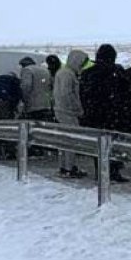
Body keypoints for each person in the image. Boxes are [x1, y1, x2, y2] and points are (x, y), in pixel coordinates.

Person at [80, 44, 131, 182]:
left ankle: (100, 171)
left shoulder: (87, 73)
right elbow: (127, 94)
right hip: (115, 116)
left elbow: (83, 95)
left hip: (94, 116)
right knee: (114, 145)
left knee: (99, 146)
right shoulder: (118, 72)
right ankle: (113, 172)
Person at [53, 49, 89, 178]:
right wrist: (77, 108)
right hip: (67, 112)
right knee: (71, 140)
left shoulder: (63, 72)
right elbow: (67, 94)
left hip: (61, 110)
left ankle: (64, 166)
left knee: (63, 140)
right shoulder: (68, 74)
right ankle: (69, 167)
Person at [18, 56, 54, 122]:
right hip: (46, 106)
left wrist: (24, 100)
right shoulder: (45, 70)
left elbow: (26, 87)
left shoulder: (27, 70)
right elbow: (51, 86)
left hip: (33, 107)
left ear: (23, 65)